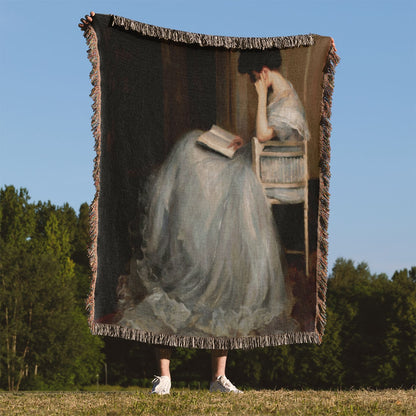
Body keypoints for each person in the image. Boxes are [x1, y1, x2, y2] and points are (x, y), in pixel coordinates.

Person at [79, 13, 309, 395]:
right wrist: (233, 141)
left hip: (249, 181)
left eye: (253, 78)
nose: (253, 83)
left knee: (189, 153)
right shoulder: (281, 93)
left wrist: (257, 98)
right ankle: (169, 374)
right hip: (247, 166)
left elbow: (264, 135)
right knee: (192, 145)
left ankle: (216, 375)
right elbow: (256, 141)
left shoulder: (281, 99)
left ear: (263, 71)